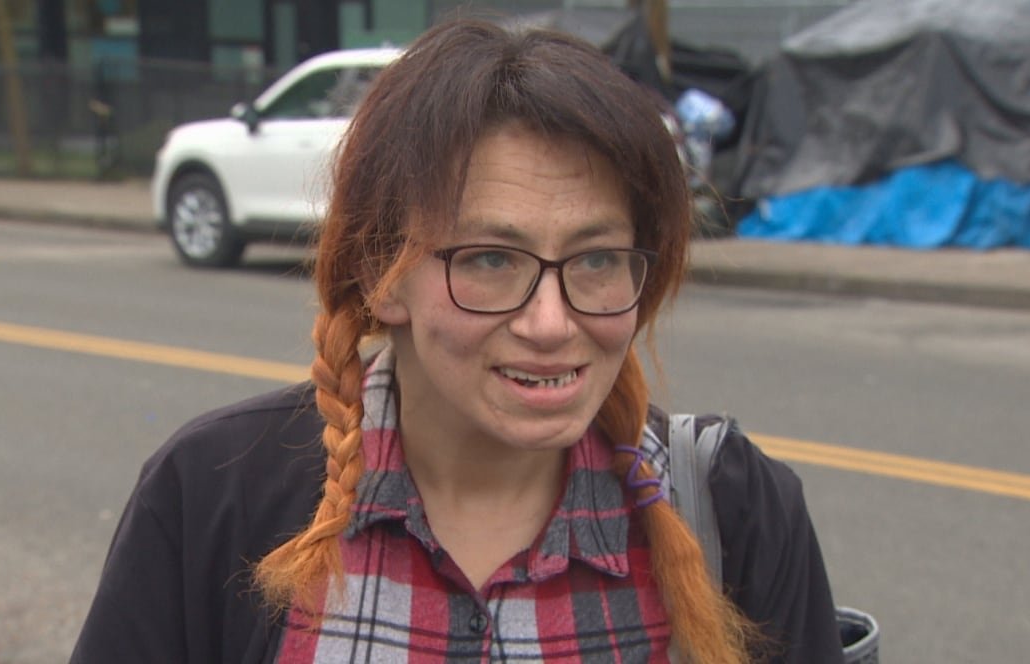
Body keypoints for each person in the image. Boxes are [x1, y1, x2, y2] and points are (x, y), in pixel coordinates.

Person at [70, 17, 844, 664]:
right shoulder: (216, 493)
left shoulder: (733, 512)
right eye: (489, 259)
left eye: (599, 260)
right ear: (381, 272)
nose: (551, 324)